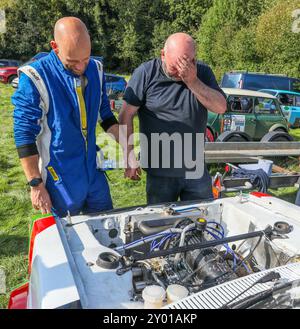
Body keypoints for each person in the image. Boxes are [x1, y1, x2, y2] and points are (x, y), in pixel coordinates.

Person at [12, 17, 121, 217]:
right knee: (70, 239)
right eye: (72, 62)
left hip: (92, 171)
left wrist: (129, 150)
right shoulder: (35, 77)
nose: (81, 67)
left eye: (85, 59)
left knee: (107, 227)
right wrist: (36, 184)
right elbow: (24, 134)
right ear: (55, 47)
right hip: (59, 176)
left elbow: (105, 114)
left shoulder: (96, 69)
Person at [119, 33, 227, 204]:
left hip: (195, 170)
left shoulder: (202, 72)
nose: (181, 71)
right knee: (161, 225)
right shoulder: (146, 73)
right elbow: (125, 115)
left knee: (202, 221)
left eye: (187, 63)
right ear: (163, 54)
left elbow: (221, 107)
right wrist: (129, 157)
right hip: (159, 174)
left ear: (193, 59)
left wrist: (192, 82)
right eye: (175, 66)